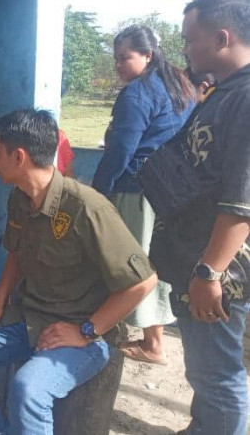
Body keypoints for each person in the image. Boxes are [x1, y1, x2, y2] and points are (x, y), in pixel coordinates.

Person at [0, 108, 157, 435]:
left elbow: (144, 282)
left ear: (19, 156)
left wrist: (85, 331)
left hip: (83, 330)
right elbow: (16, 249)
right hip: (28, 318)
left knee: (29, 389)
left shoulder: (87, 207)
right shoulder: (19, 197)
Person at [145, 0, 250, 435]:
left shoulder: (245, 99)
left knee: (219, 373)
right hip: (197, 253)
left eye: (191, 39)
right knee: (204, 368)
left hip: (217, 265)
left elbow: (241, 202)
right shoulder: (224, 93)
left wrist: (210, 273)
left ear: (223, 38)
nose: (185, 48)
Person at [92, 25, 195, 366]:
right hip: (171, 190)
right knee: (156, 261)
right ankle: (151, 338)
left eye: (125, 58)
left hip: (137, 191)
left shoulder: (138, 93)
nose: (119, 65)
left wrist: (99, 192)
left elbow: (121, 150)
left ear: (147, 55)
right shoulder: (180, 86)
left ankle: (149, 343)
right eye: (116, 58)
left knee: (133, 264)